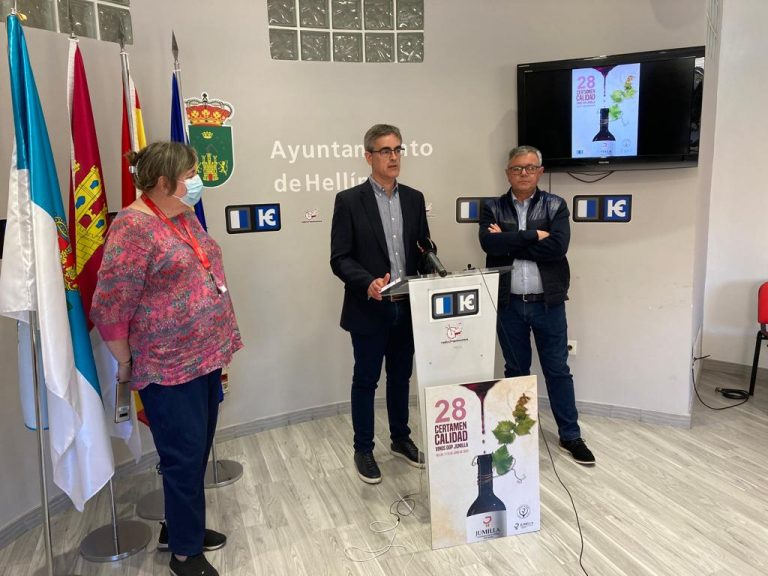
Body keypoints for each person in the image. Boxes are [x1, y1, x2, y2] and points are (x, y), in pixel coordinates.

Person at [91, 142, 243, 576]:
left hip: (203, 357)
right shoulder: (132, 228)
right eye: (190, 174)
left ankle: (178, 531)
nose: (198, 180)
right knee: (183, 457)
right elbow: (110, 306)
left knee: (194, 454)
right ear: (163, 182)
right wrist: (125, 363)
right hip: (168, 368)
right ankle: (184, 555)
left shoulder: (181, 214)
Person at [478, 145, 595, 465]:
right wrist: (534, 236)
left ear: (540, 172)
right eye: (517, 168)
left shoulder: (555, 205)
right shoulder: (492, 207)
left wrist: (510, 239)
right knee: (516, 371)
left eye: (530, 168)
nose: (524, 173)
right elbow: (489, 244)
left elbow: (557, 248)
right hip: (509, 304)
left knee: (558, 370)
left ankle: (571, 435)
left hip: (548, 304)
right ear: (508, 173)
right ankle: (518, 434)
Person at [330, 124, 431, 484]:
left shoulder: (415, 198)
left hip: (408, 306)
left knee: (400, 377)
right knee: (366, 380)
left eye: (398, 150)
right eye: (386, 151)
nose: (393, 157)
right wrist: (367, 283)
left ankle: (400, 439)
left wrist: (432, 262)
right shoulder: (349, 201)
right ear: (368, 156)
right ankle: (363, 449)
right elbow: (340, 258)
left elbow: (423, 247)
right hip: (370, 308)